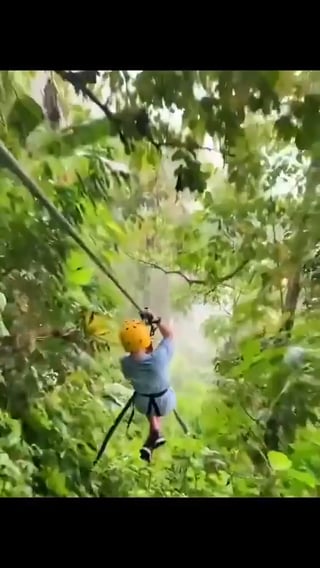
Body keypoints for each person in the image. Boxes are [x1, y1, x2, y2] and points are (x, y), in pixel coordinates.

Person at [119, 311, 176, 462]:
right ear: (144, 339)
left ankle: (154, 433)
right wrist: (157, 320)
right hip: (165, 401)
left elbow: (137, 362)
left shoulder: (125, 364)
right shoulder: (159, 358)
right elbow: (169, 336)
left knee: (148, 393)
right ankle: (156, 432)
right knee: (158, 397)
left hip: (143, 404)